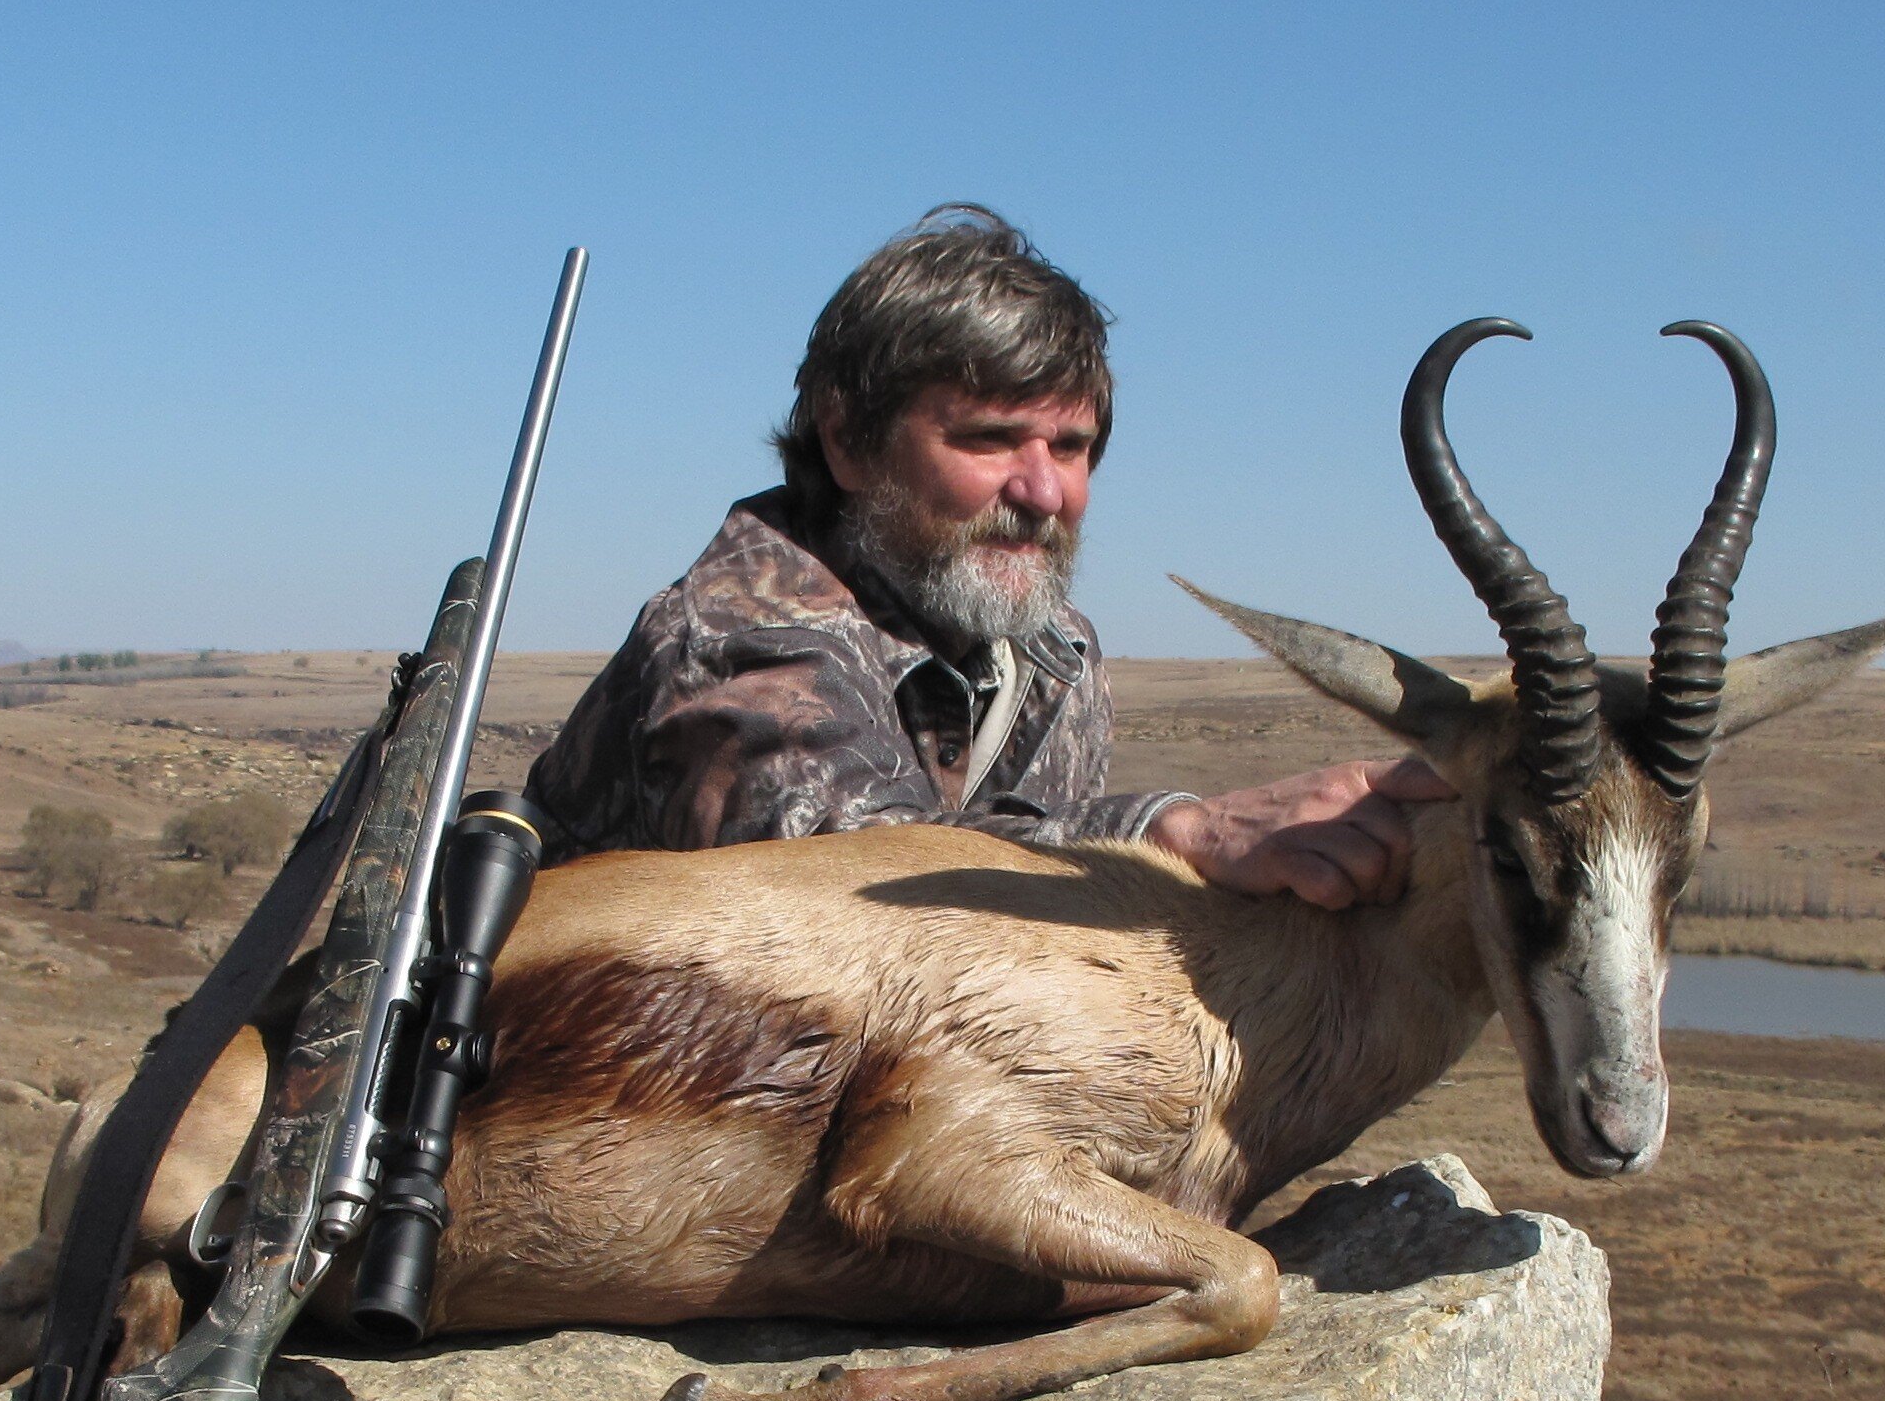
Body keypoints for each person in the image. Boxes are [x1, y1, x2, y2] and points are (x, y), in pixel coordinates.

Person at [522, 208, 1448, 907]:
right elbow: (870, 901)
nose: (1045, 493)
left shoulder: (1055, 653)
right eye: (990, 440)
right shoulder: (736, 636)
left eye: (1074, 448)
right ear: (847, 442)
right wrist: (1182, 832)